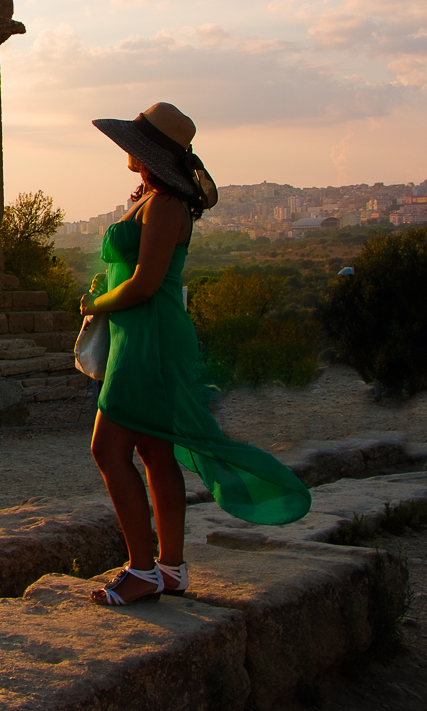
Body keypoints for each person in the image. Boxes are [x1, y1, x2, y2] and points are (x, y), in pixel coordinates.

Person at [80, 103, 310, 605]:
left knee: (108, 449)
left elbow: (146, 284)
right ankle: (169, 569)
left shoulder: (165, 205)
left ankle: (143, 571)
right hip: (140, 336)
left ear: (150, 154)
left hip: (151, 341)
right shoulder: (151, 199)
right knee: (154, 451)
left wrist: (96, 303)